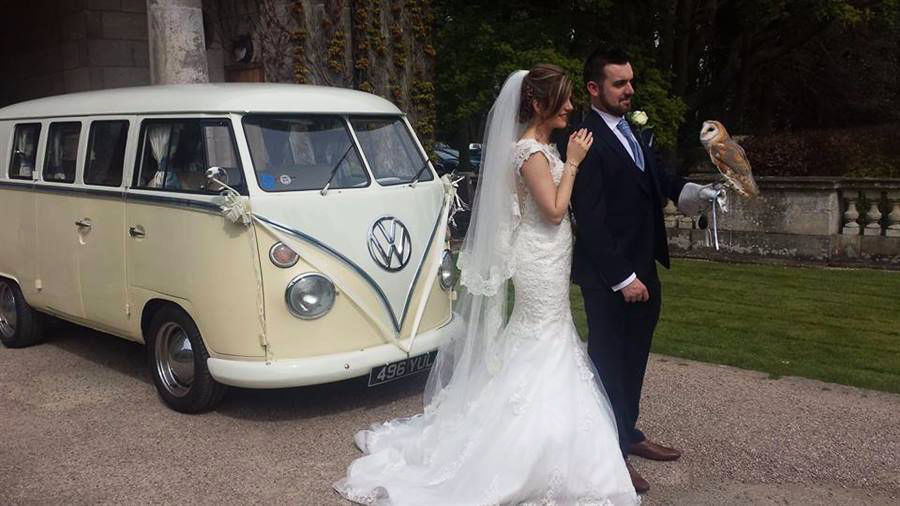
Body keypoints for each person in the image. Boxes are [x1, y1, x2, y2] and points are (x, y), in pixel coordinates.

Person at [334, 64, 640, 505]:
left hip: (551, 255)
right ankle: (523, 446)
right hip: (538, 256)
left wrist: (567, 162)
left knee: (550, 336)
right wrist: (572, 164)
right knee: (542, 336)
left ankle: (557, 445)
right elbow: (553, 211)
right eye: (564, 98)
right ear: (538, 103)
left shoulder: (543, 148)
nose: (571, 107)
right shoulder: (529, 153)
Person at [566, 46, 716, 493]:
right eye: (619, 83)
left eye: (630, 81)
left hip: (645, 267)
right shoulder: (583, 138)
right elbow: (589, 218)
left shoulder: (633, 132)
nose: (629, 89)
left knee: (634, 362)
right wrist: (622, 278)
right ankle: (608, 454)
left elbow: (661, 180)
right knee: (609, 365)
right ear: (594, 89)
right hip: (611, 277)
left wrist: (695, 193)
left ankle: (628, 434)